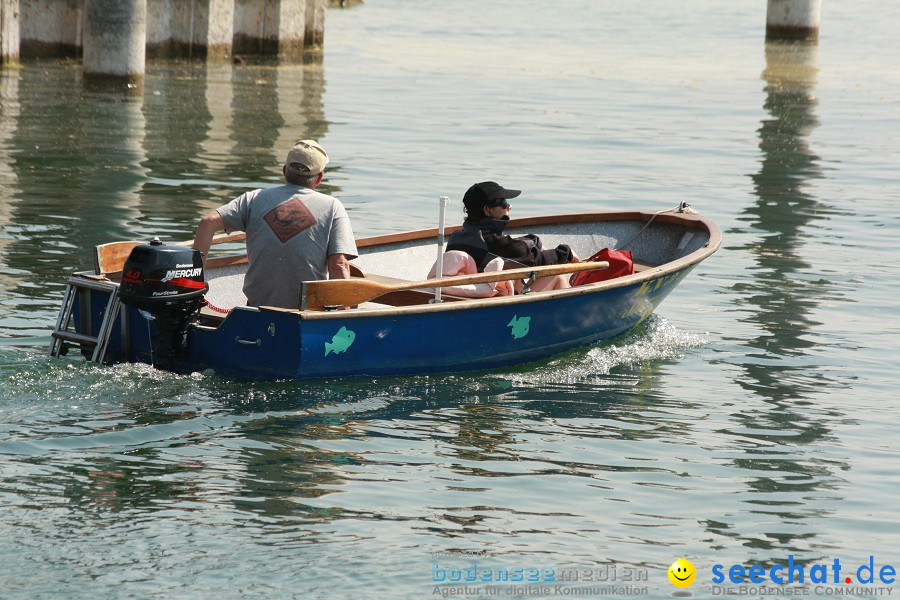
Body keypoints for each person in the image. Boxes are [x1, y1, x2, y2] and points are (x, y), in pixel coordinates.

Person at [193, 140, 358, 309]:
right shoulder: (332, 207)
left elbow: (208, 222)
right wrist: (343, 314)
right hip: (306, 317)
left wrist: (194, 283)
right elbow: (339, 265)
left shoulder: (253, 199)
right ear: (319, 178)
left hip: (257, 312)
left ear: (285, 170)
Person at [445, 181, 578, 292]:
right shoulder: (492, 243)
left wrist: (534, 241)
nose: (510, 206)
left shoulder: (457, 237)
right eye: (504, 203)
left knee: (518, 279)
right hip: (494, 305)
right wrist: (567, 253)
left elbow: (513, 247)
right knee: (556, 275)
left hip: (476, 293)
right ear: (487, 210)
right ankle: (568, 321)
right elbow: (536, 260)